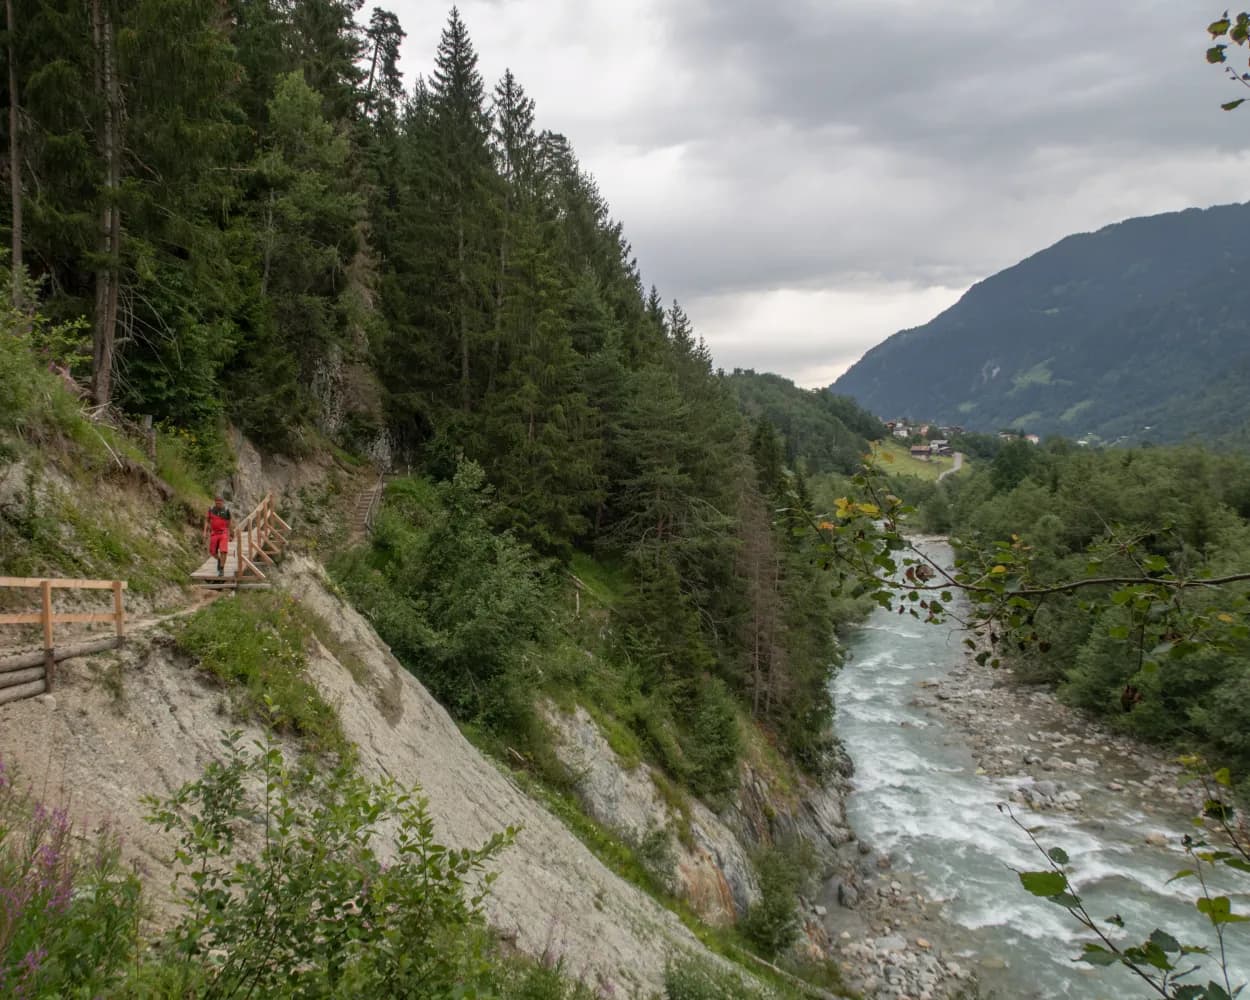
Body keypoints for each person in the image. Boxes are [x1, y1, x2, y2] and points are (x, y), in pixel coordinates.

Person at [204, 495, 233, 578]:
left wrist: (231, 533)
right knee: (212, 552)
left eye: (220, 502)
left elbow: (230, 522)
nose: (218, 503)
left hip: (223, 533)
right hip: (214, 533)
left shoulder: (226, 510)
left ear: (222, 502)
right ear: (215, 502)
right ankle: (219, 560)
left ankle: (221, 569)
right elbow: (207, 520)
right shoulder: (211, 509)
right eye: (217, 502)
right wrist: (205, 532)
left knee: (223, 551)